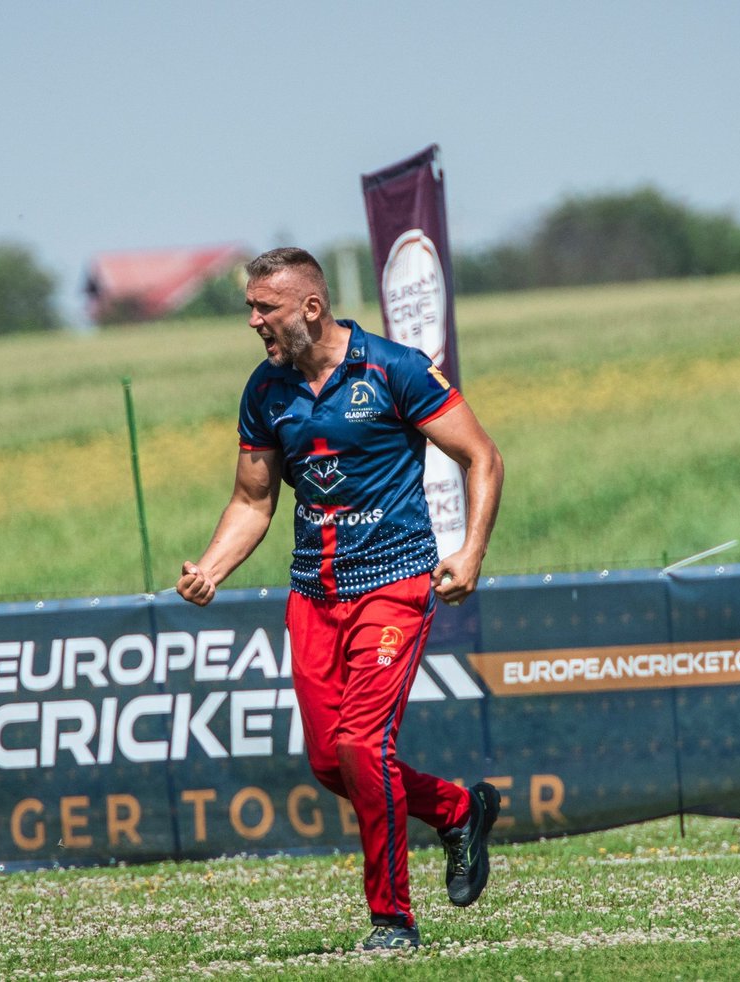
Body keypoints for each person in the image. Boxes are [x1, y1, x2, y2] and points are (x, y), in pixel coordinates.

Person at [177, 247, 505, 951]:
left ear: (311, 308)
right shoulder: (265, 392)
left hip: (393, 587)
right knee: (332, 764)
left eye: (264, 309)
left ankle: (391, 919)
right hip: (312, 598)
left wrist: (470, 551)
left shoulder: (395, 369)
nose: (254, 322)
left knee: (362, 744)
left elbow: (482, 455)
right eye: (250, 309)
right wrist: (210, 567)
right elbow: (252, 500)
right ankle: (456, 809)